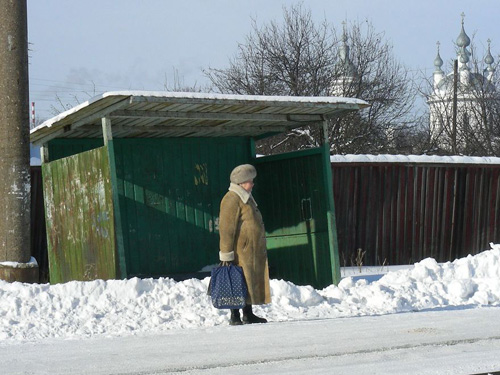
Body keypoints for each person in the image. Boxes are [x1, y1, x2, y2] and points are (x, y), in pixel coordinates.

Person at [218, 164, 271, 325]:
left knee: (248, 281)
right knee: (235, 281)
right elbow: (226, 228)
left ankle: (248, 313)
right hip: (239, 251)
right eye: (250, 181)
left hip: (249, 251)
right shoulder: (232, 198)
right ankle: (235, 316)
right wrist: (226, 253)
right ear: (241, 183)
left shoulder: (246, 198)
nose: (252, 184)